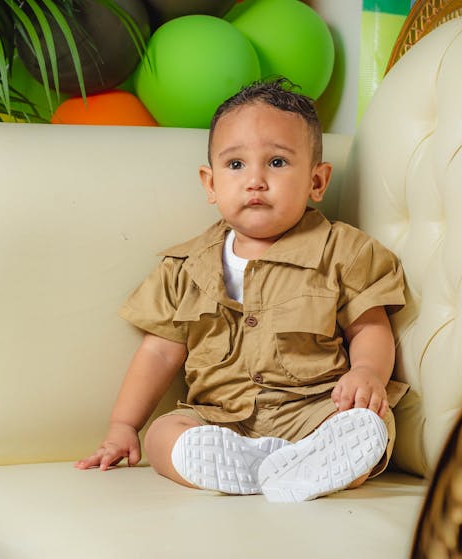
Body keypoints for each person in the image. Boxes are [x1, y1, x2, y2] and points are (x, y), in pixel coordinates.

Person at [75, 78, 407, 503]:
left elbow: (369, 327)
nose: (255, 180)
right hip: (219, 421)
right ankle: (247, 466)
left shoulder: (344, 252)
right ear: (210, 184)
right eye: (235, 165)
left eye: (278, 163)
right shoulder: (185, 268)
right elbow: (159, 352)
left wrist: (366, 373)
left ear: (317, 182)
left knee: (368, 423)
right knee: (164, 435)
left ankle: (313, 463)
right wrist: (123, 427)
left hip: (313, 411)